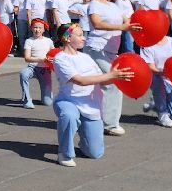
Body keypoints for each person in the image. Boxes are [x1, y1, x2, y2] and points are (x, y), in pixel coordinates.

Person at [51, 21, 134, 167]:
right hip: (68, 101)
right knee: (69, 116)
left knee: (95, 153)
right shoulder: (60, 58)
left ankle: (84, 136)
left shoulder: (86, 58)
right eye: (80, 35)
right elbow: (80, 81)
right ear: (67, 38)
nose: (84, 38)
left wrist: (119, 78)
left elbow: (101, 80)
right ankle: (64, 153)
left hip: (90, 106)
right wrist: (111, 75)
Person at [84, 0, 132, 137]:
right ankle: (110, 124)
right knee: (113, 82)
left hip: (111, 51)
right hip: (96, 49)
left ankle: (94, 118)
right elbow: (97, 24)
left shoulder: (114, 6)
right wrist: (122, 27)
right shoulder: (94, 4)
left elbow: (127, 21)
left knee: (103, 85)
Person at [140, 30, 172, 128]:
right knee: (156, 80)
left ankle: (156, 103)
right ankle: (162, 114)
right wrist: (162, 73)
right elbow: (150, 67)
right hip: (157, 76)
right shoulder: (147, 45)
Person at [18, 17, 55, 108]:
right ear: (31, 28)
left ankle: (48, 94)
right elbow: (27, 58)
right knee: (23, 74)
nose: (37, 30)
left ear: (44, 29)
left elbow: (54, 54)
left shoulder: (49, 41)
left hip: (45, 70)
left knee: (47, 102)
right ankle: (27, 100)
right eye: (35, 27)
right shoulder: (29, 41)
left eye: (40, 28)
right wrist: (42, 59)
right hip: (32, 68)